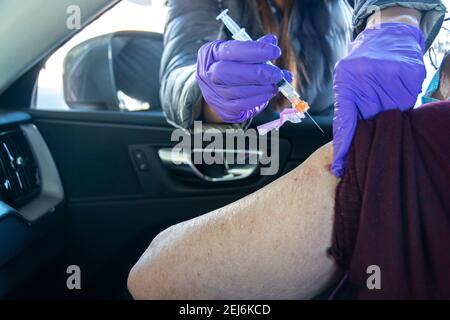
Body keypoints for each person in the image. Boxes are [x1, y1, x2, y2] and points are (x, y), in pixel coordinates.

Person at [160, 0, 446, 176]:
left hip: (337, 144)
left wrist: (396, 16)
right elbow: (179, 70)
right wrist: (207, 94)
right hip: (260, 161)